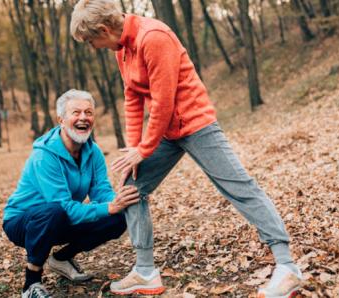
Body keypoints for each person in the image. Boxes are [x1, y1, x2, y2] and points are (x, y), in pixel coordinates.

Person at [70, 2, 304, 297]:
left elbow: (165, 102)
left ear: (104, 30)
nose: (93, 47)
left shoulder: (153, 37)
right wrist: (134, 149)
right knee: (131, 186)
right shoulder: (122, 49)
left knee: (239, 187)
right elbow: (132, 97)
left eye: (92, 41)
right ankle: (145, 272)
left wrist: (145, 148)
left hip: (196, 124)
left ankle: (287, 267)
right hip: (165, 133)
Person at [2, 89, 140, 298]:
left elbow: (101, 191)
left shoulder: (93, 153)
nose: (83, 117)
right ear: (61, 119)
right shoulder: (44, 156)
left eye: (88, 112)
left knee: (117, 218)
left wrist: (119, 203)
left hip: (60, 218)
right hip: (24, 222)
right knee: (54, 211)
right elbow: (63, 206)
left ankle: (61, 258)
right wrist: (109, 207)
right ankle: (31, 284)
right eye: (76, 112)